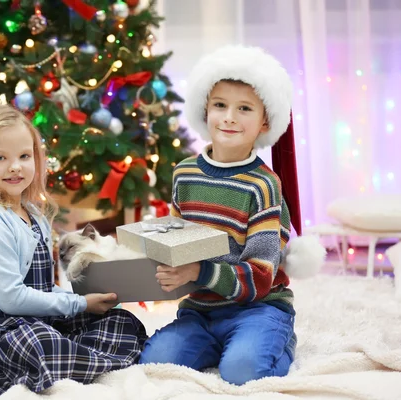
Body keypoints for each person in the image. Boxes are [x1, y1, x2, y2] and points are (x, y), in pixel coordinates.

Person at [0, 104, 147, 395]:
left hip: (36, 317)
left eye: (24, 156)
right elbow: (11, 299)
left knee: (121, 322)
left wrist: (84, 300)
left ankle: (73, 358)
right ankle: (75, 359)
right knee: (38, 342)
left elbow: (45, 288)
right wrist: (79, 305)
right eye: (0, 158)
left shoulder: (35, 215)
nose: (15, 166)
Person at [138, 46, 324, 385]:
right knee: (155, 363)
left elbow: (261, 277)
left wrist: (198, 270)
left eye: (244, 108)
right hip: (201, 309)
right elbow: (177, 244)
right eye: (220, 105)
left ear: (264, 121)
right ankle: (222, 344)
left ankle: (277, 340)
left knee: (242, 372)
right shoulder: (185, 173)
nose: (229, 117)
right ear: (205, 110)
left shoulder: (263, 185)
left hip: (258, 307)